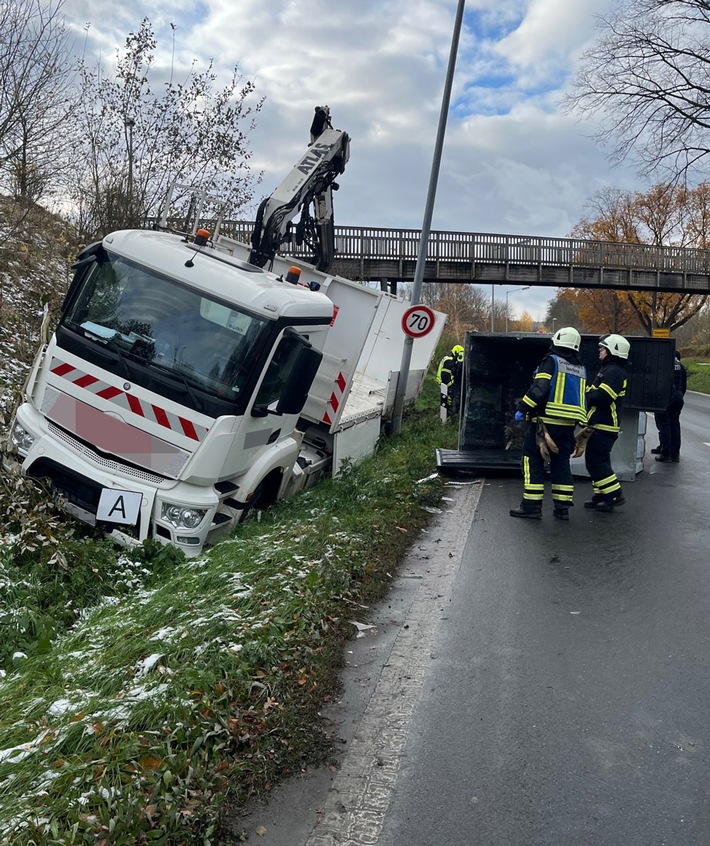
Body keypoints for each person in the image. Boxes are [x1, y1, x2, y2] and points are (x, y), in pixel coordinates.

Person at [509, 327, 587, 521]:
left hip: (545, 423)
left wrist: (522, 408)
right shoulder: (580, 367)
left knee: (532, 460)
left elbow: (539, 389)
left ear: (557, 342)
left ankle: (531, 507)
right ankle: (562, 508)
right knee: (561, 463)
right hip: (568, 425)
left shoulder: (550, 361)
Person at [584, 333, 630, 512]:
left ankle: (614, 495)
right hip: (600, 425)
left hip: (605, 425)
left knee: (596, 462)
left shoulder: (614, 372)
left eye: (602, 348)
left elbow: (603, 396)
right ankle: (601, 494)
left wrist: (585, 395)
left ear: (613, 351)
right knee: (598, 461)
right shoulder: (609, 370)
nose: (599, 351)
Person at [653, 350, 687, 462]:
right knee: (675, 424)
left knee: (664, 425)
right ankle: (675, 454)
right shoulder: (680, 366)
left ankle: (666, 453)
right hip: (677, 398)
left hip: (665, 398)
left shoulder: (663, 364)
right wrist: (679, 395)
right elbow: (683, 386)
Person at [437, 344, 465, 415]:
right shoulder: (449, 361)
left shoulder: (447, 359)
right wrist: (450, 385)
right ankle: (448, 413)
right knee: (449, 397)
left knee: (448, 398)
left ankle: (448, 413)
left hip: (443, 382)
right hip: (445, 382)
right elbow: (446, 374)